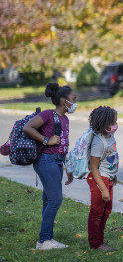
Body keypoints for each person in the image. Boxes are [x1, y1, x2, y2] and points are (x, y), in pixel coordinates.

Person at [23, 83, 77, 250]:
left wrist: (68, 167)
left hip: (57, 161)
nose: (75, 103)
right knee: (55, 200)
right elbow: (28, 127)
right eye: (73, 100)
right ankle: (43, 240)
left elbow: (64, 144)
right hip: (46, 160)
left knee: (48, 200)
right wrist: (46, 140)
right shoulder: (47, 114)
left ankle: (47, 239)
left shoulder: (65, 118)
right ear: (63, 100)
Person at [86, 106, 120, 251]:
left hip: (108, 178)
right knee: (97, 212)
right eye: (113, 122)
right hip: (99, 180)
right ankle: (95, 243)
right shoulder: (98, 142)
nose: (115, 124)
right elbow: (94, 167)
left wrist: (113, 174)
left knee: (106, 211)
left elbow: (109, 157)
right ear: (105, 125)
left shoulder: (110, 136)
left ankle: (100, 239)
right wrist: (103, 188)